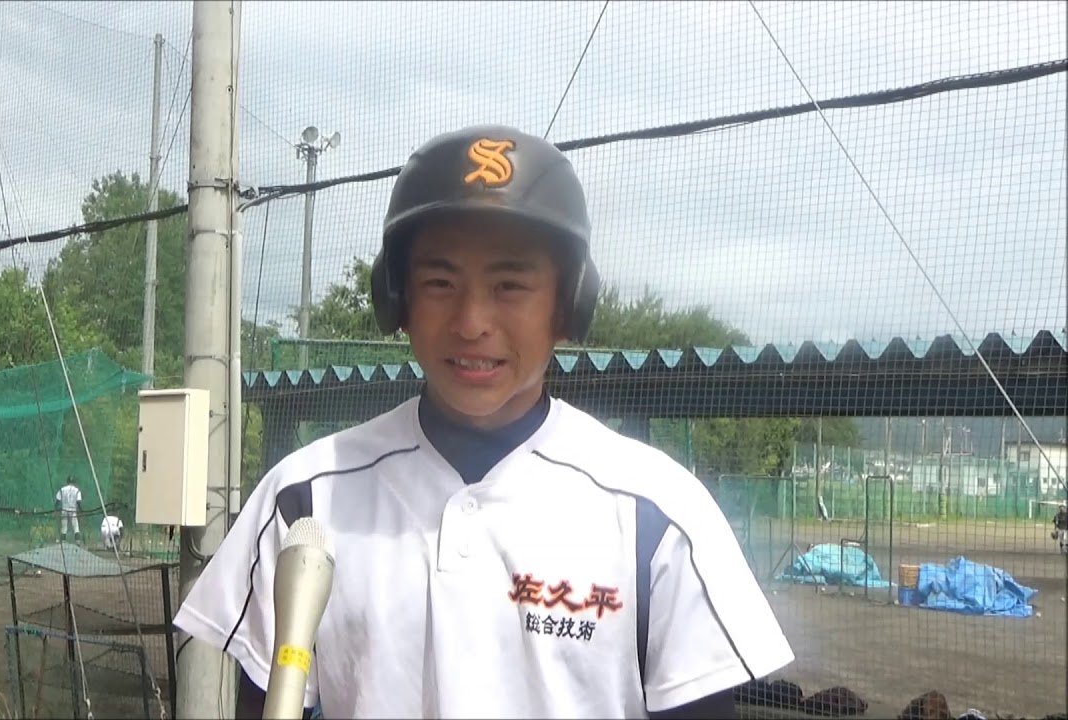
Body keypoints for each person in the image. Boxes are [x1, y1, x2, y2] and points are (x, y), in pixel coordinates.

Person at [174, 126, 794, 718]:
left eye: (509, 285)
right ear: (398, 299)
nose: (472, 322)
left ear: (568, 305)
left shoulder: (657, 514)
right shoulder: (304, 496)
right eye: (440, 282)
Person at [55, 476, 82, 544]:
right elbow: (78, 501)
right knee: (76, 527)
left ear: (67, 481)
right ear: (74, 482)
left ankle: (63, 542)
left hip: (64, 509)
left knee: (64, 527)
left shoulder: (62, 489)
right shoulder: (77, 490)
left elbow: (58, 500)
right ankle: (77, 542)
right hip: (73, 510)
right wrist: (81, 509)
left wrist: (55, 508)